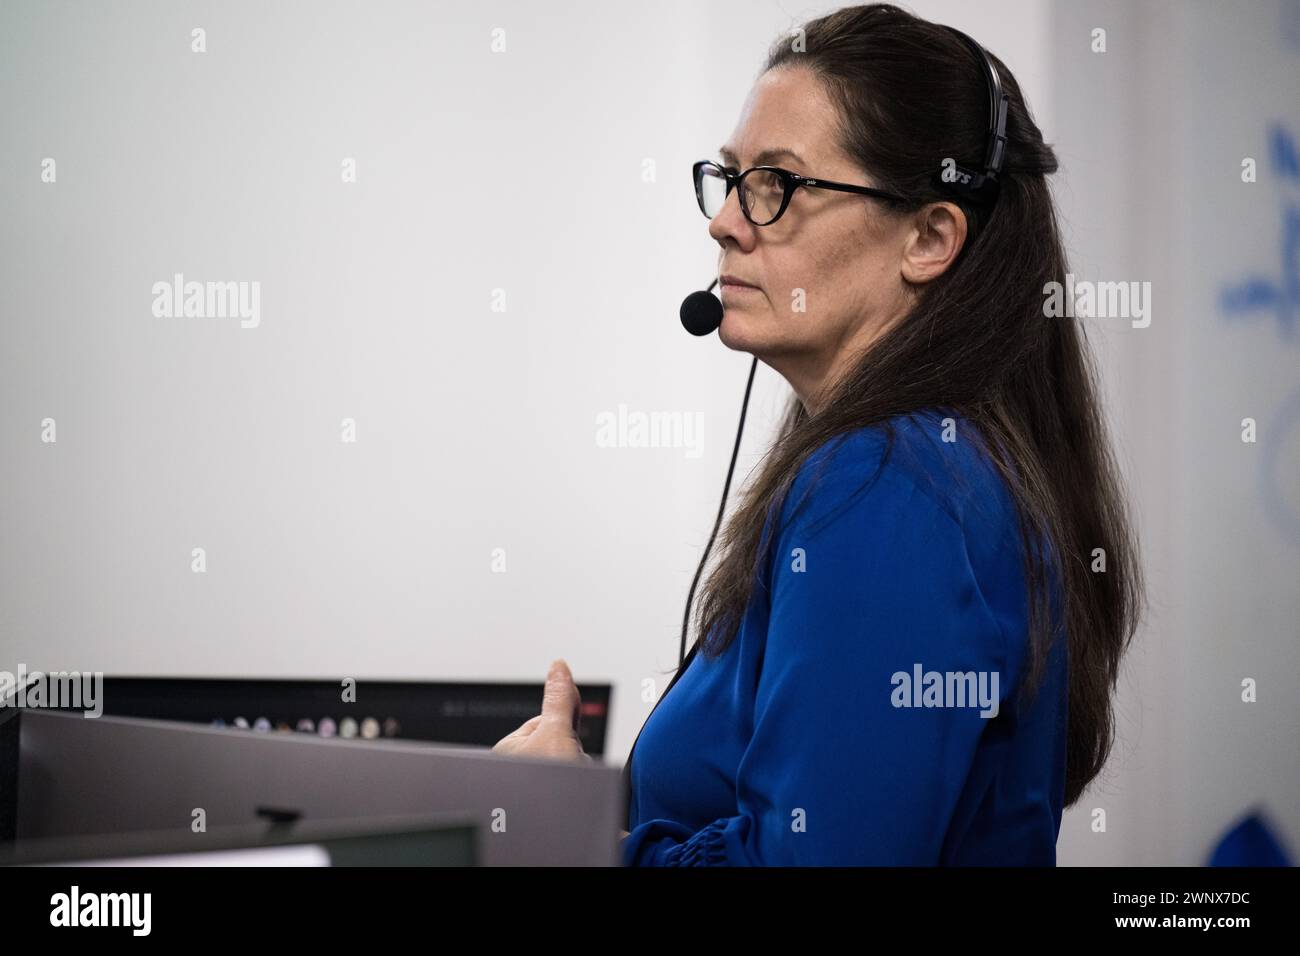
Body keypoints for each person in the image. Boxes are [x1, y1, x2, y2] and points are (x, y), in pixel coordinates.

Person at [493, 3, 1143, 866]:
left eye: (779, 185)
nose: (726, 219)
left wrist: (563, 836)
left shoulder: (892, 486)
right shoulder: (926, 468)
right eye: (730, 178)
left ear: (930, 237)